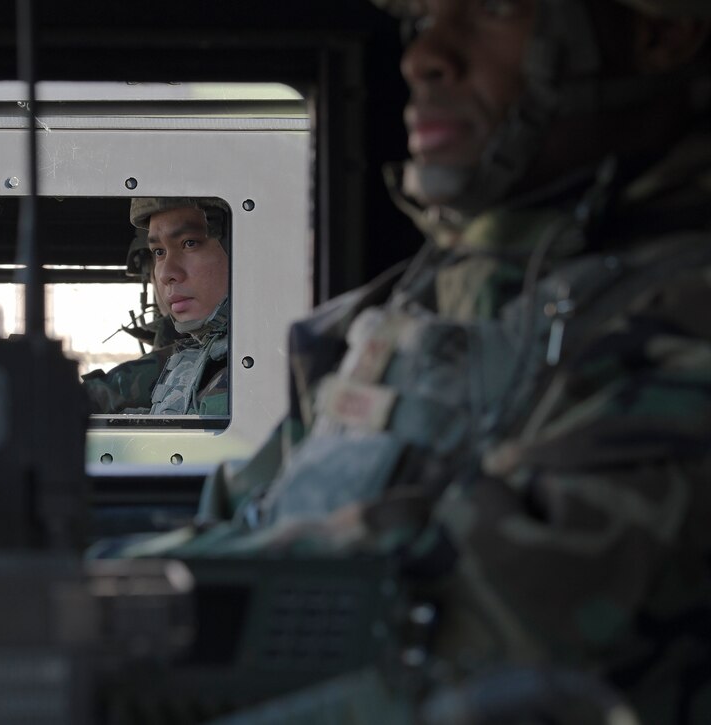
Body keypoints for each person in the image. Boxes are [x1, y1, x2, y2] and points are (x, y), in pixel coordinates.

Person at [103, 1, 711, 721]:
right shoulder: (393, 312)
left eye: (490, 10)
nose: (424, 58)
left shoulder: (680, 316)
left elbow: (496, 630)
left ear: (656, 33)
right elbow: (248, 523)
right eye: (421, 19)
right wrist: (86, 602)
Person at [83, 197, 231, 416]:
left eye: (189, 243)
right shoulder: (199, 362)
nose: (165, 274)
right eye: (159, 252)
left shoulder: (261, 366)